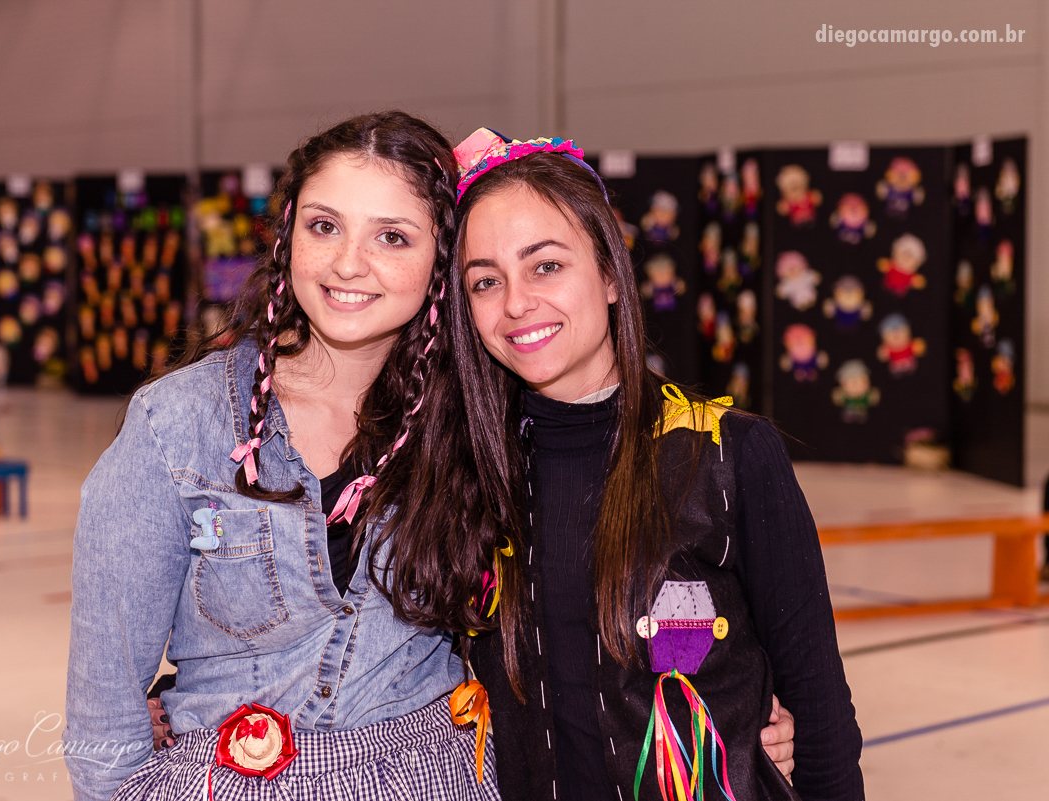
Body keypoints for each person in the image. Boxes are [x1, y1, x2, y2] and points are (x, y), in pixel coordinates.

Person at [64, 111, 500, 801]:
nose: (348, 263)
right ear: (288, 233)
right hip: (227, 777)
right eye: (325, 226)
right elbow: (105, 710)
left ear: (441, 258)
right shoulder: (178, 421)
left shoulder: (470, 419)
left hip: (433, 776)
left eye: (391, 236)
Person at [444, 130, 863, 800]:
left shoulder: (728, 456)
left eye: (545, 265)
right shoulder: (465, 478)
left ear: (611, 274)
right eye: (485, 281)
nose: (516, 303)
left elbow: (819, 711)